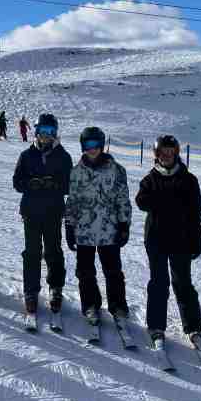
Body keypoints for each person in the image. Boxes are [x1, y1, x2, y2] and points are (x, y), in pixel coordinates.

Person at [135, 134, 201, 347]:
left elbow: (195, 211)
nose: (167, 156)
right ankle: (156, 325)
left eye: (170, 152)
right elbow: (141, 201)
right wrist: (160, 198)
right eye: (163, 153)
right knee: (158, 282)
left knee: (182, 282)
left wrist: (197, 236)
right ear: (157, 155)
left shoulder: (188, 180)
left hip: (181, 240)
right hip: (156, 239)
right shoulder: (151, 178)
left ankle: (193, 326)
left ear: (176, 154)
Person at [64, 126, 132, 325]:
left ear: (102, 145)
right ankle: (90, 305)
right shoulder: (76, 172)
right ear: (82, 146)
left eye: (95, 144)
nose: (92, 149)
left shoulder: (116, 170)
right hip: (84, 230)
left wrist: (124, 224)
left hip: (109, 230)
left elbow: (123, 199)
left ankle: (118, 306)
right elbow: (73, 201)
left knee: (113, 270)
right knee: (85, 271)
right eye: (87, 145)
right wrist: (69, 226)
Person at [13, 113, 72, 316]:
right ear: (36, 132)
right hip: (31, 211)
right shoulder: (27, 155)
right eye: (42, 131)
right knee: (32, 252)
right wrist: (30, 183)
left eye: (50, 131)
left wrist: (54, 184)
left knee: (53, 250)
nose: (46, 135)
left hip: (53, 212)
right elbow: (17, 182)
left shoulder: (63, 156)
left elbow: (69, 185)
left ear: (55, 133)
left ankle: (56, 288)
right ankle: (31, 291)